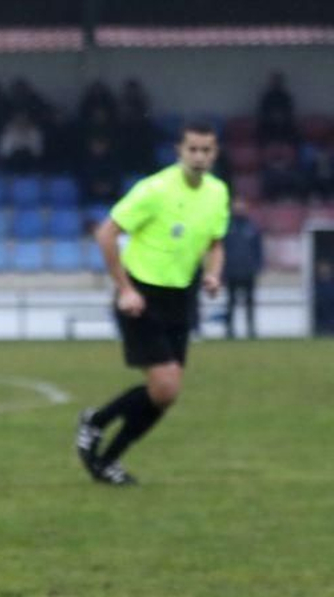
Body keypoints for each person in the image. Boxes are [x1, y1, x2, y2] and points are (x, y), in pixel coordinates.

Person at [76, 121, 228, 486]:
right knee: (166, 386)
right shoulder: (155, 189)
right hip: (142, 296)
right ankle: (95, 422)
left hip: (182, 297)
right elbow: (107, 233)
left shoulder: (217, 192)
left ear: (215, 153)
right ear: (179, 150)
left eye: (206, 150)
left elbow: (214, 242)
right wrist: (124, 289)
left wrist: (213, 274)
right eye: (192, 149)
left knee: (164, 396)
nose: (199, 156)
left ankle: (106, 459)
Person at [221, 198, 263, 340]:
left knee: (250, 303)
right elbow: (222, 250)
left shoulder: (252, 227)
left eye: (241, 207)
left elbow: (259, 249)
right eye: (237, 207)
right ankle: (229, 331)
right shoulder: (226, 227)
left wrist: (258, 266)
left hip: (248, 271)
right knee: (230, 303)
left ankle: (251, 330)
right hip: (231, 271)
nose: (239, 210)